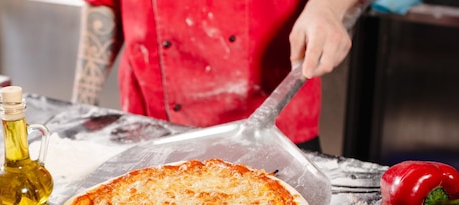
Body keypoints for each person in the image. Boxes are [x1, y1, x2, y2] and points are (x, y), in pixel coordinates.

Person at [71, 0, 361, 152]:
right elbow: (103, 4)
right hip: (150, 124)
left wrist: (327, 7)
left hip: (271, 128)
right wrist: (78, 110)